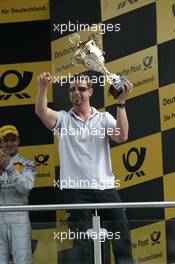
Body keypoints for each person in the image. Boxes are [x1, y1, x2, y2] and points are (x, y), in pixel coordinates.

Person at [35, 72, 134, 264]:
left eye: (81, 89)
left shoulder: (103, 118)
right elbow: (41, 111)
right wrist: (42, 87)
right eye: (72, 89)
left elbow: (122, 136)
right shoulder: (63, 119)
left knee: (122, 239)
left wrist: (121, 104)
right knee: (83, 247)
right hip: (76, 190)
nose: (76, 93)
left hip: (105, 186)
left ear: (90, 92)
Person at [0, 125, 36, 264]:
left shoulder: (27, 163)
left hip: (19, 218)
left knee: (22, 261)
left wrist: (8, 167)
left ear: (18, 141)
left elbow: (26, 187)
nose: (9, 143)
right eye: (5, 140)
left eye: (13, 139)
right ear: (0, 142)